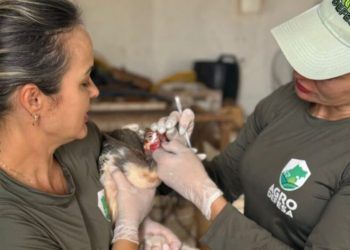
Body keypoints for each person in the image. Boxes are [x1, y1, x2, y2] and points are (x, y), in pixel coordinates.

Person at [148, 0, 350, 249]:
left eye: (323, 68)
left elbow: (208, 192)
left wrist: (208, 199)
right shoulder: (285, 101)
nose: (300, 71)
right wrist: (167, 159)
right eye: (304, 52)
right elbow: (223, 176)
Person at [0, 1, 181, 249]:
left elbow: (124, 149)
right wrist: (127, 230)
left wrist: (159, 142)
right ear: (34, 100)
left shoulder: (80, 144)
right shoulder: (9, 226)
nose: (95, 91)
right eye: (84, 82)